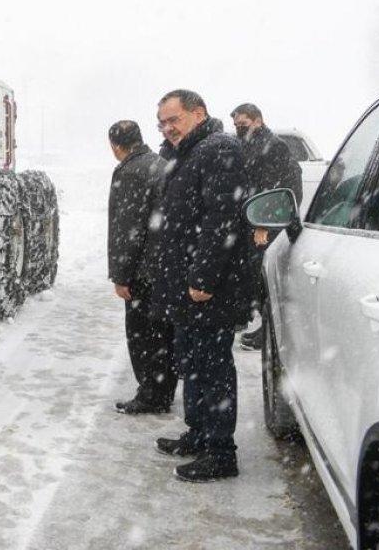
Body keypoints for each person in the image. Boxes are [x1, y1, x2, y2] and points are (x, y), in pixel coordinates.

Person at [150, 89, 248, 482]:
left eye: (174, 119)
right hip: (187, 284)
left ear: (199, 113)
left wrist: (204, 278)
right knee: (191, 361)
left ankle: (222, 452)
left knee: (213, 367)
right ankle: (199, 433)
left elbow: (221, 218)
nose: (167, 128)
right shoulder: (187, 153)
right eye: (162, 122)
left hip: (208, 287)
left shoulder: (218, 148)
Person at [107, 120, 176, 415]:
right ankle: (163, 390)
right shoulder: (160, 163)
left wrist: (122, 276)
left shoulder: (131, 172)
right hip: (163, 265)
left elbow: (128, 228)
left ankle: (151, 394)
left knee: (142, 335)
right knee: (162, 334)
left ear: (116, 145)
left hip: (143, 270)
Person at [230, 103, 302, 351]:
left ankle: (268, 329)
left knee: (264, 277)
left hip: (268, 221)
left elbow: (273, 186)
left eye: (243, 124)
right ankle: (251, 320)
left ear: (258, 120)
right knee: (251, 273)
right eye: (236, 125)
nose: (239, 129)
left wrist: (263, 224)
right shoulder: (249, 144)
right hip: (254, 218)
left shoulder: (272, 146)